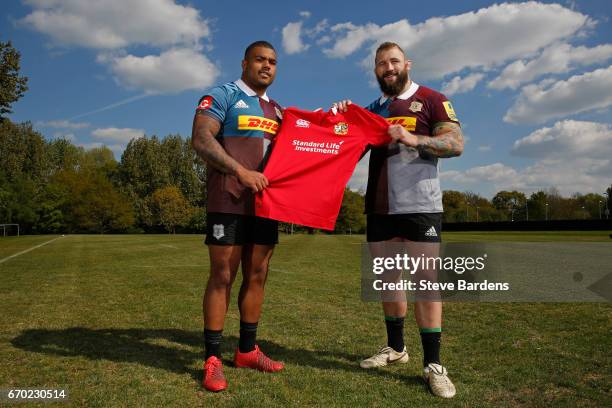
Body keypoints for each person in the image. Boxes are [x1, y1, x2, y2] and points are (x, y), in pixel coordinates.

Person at [334, 41, 464, 398]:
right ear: (375, 70)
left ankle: (434, 365)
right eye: (381, 64)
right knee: (389, 280)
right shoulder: (371, 110)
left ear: (407, 64)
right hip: (379, 208)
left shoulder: (432, 98)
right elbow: (339, 143)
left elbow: (455, 144)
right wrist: (341, 115)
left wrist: (413, 138)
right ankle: (396, 349)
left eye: (393, 61)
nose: (388, 68)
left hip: (420, 206)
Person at [191, 40, 284, 392]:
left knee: (258, 273)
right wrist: (240, 172)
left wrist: (337, 118)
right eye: (260, 59)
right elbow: (200, 139)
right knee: (223, 275)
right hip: (227, 201)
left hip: (265, 204)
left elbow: (305, 144)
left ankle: (247, 350)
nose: (267, 66)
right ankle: (213, 358)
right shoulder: (223, 95)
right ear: (245, 63)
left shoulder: (277, 110)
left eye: (273, 62)